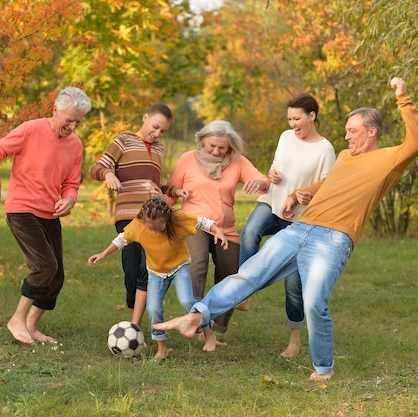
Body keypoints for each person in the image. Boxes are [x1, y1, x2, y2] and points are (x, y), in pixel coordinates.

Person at [154, 77, 418, 380]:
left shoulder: (389, 159)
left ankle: (324, 369)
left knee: (313, 301)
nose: (347, 137)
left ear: (371, 131)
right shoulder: (346, 157)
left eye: (353, 131)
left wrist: (402, 97)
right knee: (250, 273)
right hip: (302, 227)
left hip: (334, 239)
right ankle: (197, 316)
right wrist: (298, 194)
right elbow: (328, 183)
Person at [0, 86, 91, 345]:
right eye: (69, 120)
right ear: (55, 110)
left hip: (50, 214)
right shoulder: (31, 129)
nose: (73, 126)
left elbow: (72, 183)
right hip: (22, 209)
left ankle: (31, 326)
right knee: (44, 266)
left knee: (57, 275)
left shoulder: (75, 145)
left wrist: (70, 199)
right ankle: (16, 319)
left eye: (78, 122)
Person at [239, 94, 336, 358]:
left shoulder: (325, 149)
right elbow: (275, 167)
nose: (293, 124)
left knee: (293, 284)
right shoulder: (285, 137)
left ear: (312, 116)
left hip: (300, 218)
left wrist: (307, 195)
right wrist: (272, 175)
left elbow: (327, 185)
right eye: (290, 118)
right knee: (249, 233)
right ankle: (243, 291)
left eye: (297, 118)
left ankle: (294, 339)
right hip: (273, 202)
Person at [164, 120, 270, 351]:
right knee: (197, 264)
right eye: (212, 145)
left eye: (222, 147)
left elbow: (265, 181)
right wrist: (167, 198)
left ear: (230, 145)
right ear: (202, 140)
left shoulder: (237, 161)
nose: (216, 151)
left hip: (226, 228)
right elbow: (170, 193)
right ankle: (197, 322)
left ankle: (216, 328)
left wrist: (259, 181)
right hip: (194, 223)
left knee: (230, 277)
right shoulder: (187, 159)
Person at [88, 197, 228, 359]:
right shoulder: (138, 224)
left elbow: (202, 222)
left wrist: (217, 231)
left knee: (186, 301)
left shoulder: (178, 219)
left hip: (179, 267)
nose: (154, 232)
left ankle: (209, 333)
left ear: (167, 220)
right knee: (153, 309)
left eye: (159, 227)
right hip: (155, 272)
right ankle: (162, 348)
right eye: (151, 228)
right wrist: (103, 254)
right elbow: (122, 239)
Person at [90, 103, 176, 329]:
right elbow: (96, 168)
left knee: (146, 268)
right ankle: (133, 322)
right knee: (131, 268)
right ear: (145, 117)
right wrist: (108, 174)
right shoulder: (124, 140)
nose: (156, 134)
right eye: (155, 127)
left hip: (152, 218)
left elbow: (155, 185)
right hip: (127, 216)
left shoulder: (159, 149)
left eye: (162, 131)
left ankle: (136, 325)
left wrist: (173, 191)